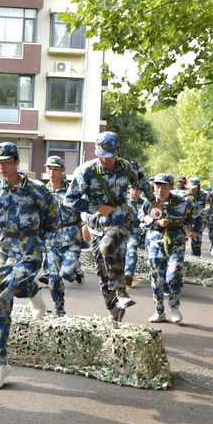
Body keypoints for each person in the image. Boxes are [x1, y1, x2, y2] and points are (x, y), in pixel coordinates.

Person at [0, 142, 59, 389]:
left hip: (30, 247)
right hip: (4, 250)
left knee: (13, 285)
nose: (2, 168)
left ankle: (32, 290)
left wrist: (46, 248)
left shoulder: (36, 190)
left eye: (6, 162)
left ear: (17, 161)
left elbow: (52, 220)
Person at [64, 131, 156, 321]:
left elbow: (144, 183)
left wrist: (153, 201)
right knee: (103, 271)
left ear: (118, 150)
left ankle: (121, 291)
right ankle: (112, 309)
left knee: (108, 247)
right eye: (101, 156)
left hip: (121, 220)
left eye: (109, 155)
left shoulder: (127, 168)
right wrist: (96, 207)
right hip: (97, 225)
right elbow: (70, 200)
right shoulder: (85, 171)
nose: (105, 160)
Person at [142, 174, 200, 324]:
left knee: (173, 276)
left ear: (171, 187)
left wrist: (195, 230)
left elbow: (198, 216)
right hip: (156, 244)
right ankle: (159, 311)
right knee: (157, 280)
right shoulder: (149, 203)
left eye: (164, 187)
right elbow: (142, 219)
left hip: (177, 243)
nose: (160, 190)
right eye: (157, 186)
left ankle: (174, 308)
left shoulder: (184, 203)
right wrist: (157, 223)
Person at [43, 155, 84, 316]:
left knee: (66, 273)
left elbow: (85, 210)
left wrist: (86, 225)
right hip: (51, 240)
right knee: (53, 278)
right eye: (49, 169)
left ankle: (75, 272)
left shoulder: (72, 191)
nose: (52, 173)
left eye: (56, 169)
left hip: (71, 237)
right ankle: (59, 309)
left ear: (63, 170)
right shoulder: (42, 192)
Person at [123, 184, 146, 286]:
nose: (135, 192)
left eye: (137, 189)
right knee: (131, 250)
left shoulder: (145, 203)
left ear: (141, 191)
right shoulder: (124, 202)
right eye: (133, 189)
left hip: (144, 231)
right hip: (130, 231)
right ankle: (128, 273)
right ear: (129, 189)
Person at [184, 177, 210, 256]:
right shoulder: (184, 194)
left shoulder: (204, 195)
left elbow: (209, 207)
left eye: (194, 188)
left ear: (198, 186)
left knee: (196, 240)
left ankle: (196, 257)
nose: (192, 189)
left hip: (199, 220)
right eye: (190, 187)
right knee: (181, 240)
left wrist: (203, 214)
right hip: (185, 220)